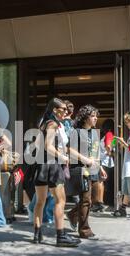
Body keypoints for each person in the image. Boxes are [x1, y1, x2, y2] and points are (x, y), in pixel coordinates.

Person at [32, 97, 89, 247]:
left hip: (41, 165)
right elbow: (47, 146)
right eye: (63, 109)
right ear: (55, 110)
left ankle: (37, 234)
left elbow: (38, 145)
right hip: (53, 166)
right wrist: (62, 156)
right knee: (60, 201)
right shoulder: (52, 124)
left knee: (40, 202)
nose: (66, 111)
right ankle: (61, 236)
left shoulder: (44, 123)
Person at [66, 105, 106, 240]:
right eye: (93, 116)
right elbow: (70, 150)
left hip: (93, 169)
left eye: (96, 116)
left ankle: (72, 214)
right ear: (85, 117)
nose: (95, 118)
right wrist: (85, 159)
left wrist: (100, 167)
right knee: (85, 199)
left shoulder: (94, 133)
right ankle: (84, 230)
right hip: (81, 169)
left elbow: (95, 152)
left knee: (95, 199)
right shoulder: (76, 132)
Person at [92, 119, 115, 211]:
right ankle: (100, 202)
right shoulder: (110, 134)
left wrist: (109, 152)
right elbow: (109, 146)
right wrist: (111, 153)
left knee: (100, 181)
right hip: (106, 161)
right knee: (102, 181)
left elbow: (107, 146)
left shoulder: (106, 134)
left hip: (103, 161)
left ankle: (99, 202)